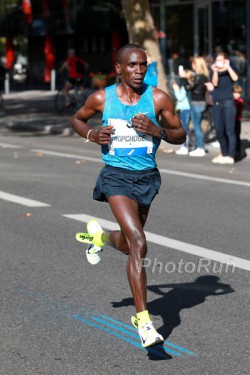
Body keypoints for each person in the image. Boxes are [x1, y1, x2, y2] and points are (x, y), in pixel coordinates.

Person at [71, 43, 186, 348]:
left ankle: (99, 238)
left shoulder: (158, 98)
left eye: (143, 65)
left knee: (126, 244)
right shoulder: (101, 98)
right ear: (118, 68)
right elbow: (77, 119)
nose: (138, 71)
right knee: (139, 242)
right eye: (132, 65)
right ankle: (144, 322)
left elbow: (181, 134)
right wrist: (92, 134)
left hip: (147, 178)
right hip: (115, 177)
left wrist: (157, 130)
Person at [210, 51, 238, 165]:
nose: (220, 62)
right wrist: (215, 70)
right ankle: (224, 153)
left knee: (230, 130)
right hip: (217, 103)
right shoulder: (213, 71)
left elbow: (235, 78)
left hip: (228, 102)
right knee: (219, 131)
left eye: (222, 60)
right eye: (218, 60)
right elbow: (215, 83)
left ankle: (231, 156)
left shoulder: (229, 70)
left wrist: (228, 66)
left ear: (226, 60)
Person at [180, 56, 209, 157]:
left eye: (193, 64)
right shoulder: (203, 76)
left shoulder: (200, 77)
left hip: (197, 103)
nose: (192, 66)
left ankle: (200, 147)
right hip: (200, 103)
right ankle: (200, 146)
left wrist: (183, 78)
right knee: (197, 125)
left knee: (196, 126)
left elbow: (189, 88)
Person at [172, 70, 194, 155]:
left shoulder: (186, 87)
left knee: (184, 128)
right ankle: (186, 145)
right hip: (185, 109)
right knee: (185, 127)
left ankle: (185, 146)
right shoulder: (188, 85)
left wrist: (176, 89)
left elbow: (180, 97)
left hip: (185, 109)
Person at [232, 84, 244, 159]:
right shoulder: (230, 101)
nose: (237, 95)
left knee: (236, 135)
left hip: (236, 120)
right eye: (235, 93)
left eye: (239, 93)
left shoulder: (240, 101)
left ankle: (238, 151)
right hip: (231, 121)